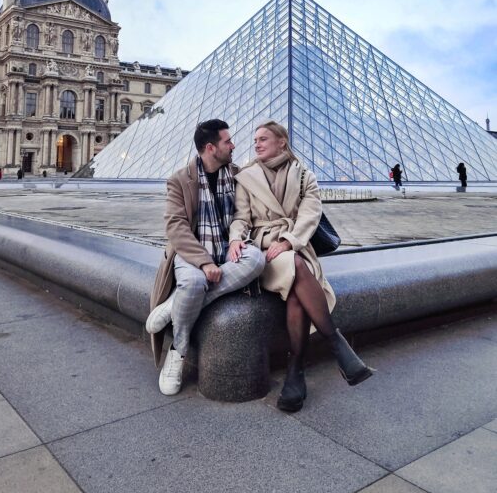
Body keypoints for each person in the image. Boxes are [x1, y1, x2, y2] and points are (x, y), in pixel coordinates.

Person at [229, 121, 375, 412]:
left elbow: (311, 214)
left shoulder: (305, 175)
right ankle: (336, 344)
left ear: (282, 142)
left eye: (263, 139)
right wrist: (235, 238)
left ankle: (295, 370)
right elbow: (241, 218)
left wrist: (291, 240)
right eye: (255, 140)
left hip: (296, 245)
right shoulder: (245, 177)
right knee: (294, 266)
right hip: (265, 248)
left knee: (296, 288)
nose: (256, 144)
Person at [146, 119, 265, 396]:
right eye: (228, 141)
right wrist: (205, 262)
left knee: (257, 260)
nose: (234, 145)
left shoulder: (237, 175)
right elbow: (176, 228)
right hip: (191, 253)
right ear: (211, 148)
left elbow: (245, 213)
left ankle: (176, 305)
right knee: (193, 281)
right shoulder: (179, 180)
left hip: (227, 247)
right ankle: (178, 351)